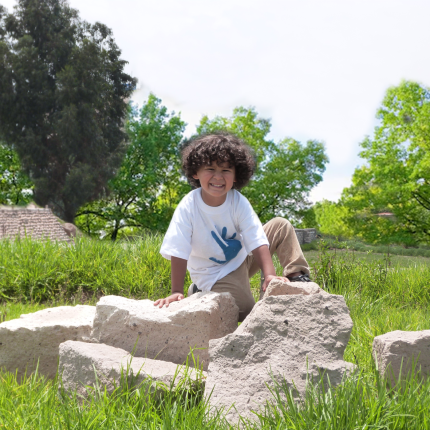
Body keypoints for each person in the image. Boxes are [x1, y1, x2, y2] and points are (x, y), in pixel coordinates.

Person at [154, 132, 311, 321]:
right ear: (196, 172)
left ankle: (296, 278)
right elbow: (178, 249)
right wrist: (176, 291)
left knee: (280, 225)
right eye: (210, 169)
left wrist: (269, 275)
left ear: (236, 175)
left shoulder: (238, 201)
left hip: (242, 258)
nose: (218, 177)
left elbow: (256, 238)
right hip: (214, 273)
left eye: (226, 170)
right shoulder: (189, 206)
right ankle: (198, 291)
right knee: (244, 310)